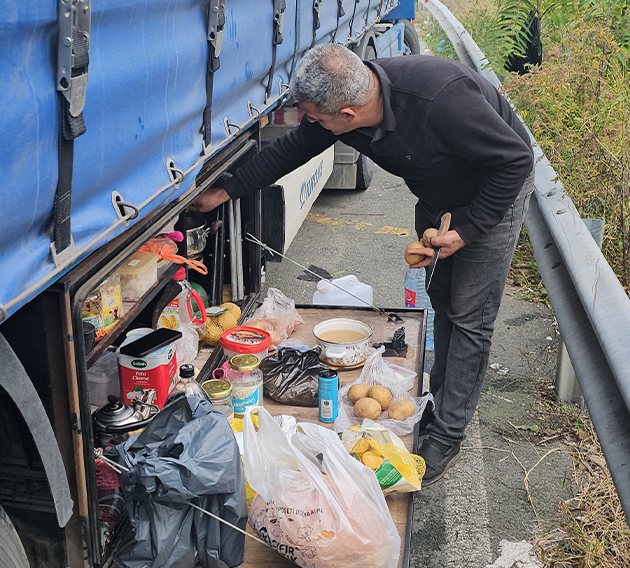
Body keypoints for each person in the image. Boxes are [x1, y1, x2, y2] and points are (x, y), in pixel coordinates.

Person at [191, 44, 534, 485]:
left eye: (318, 118)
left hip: (492, 193)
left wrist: (467, 231)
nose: (313, 124)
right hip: (438, 196)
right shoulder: (344, 103)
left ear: (348, 115)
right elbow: (292, 149)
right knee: (444, 300)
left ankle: (447, 432)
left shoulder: (442, 101)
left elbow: (516, 160)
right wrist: (225, 192)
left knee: (471, 315)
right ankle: (439, 399)